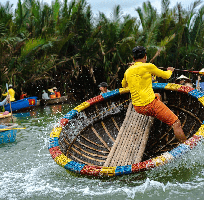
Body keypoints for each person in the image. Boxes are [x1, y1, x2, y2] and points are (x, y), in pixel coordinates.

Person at [122, 46, 187, 143]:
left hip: (138, 108)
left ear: (133, 59)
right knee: (176, 123)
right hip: (150, 105)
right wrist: (170, 70)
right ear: (145, 56)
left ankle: (159, 119)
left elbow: (124, 85)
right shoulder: (149, 66)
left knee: (157, 95)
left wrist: (132, 69)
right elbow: (166, 76)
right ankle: (187, 147)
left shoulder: (128, 71)